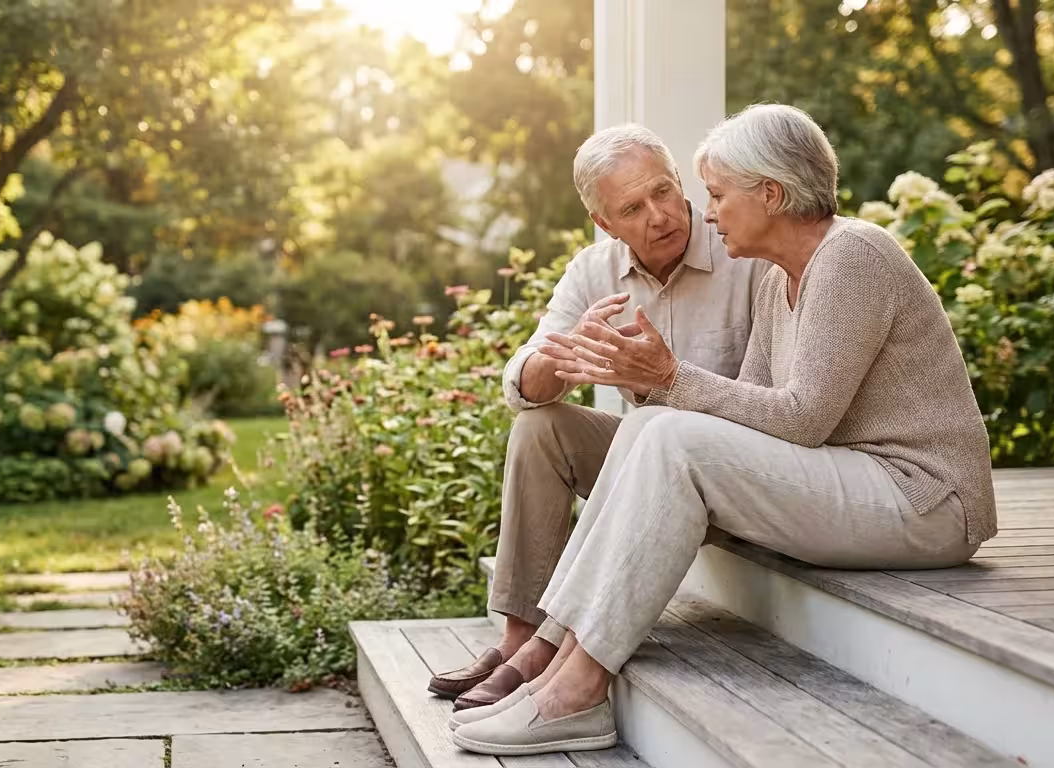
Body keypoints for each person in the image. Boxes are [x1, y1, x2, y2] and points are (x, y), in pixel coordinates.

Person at [448, 103, 996, 757]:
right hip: (850, 481)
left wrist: (670, 376)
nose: (704, 213)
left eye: (714, 194)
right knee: (654, 424)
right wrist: (653, 385)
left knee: (669, 430)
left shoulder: (854, 256)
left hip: (926, 499)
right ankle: (558, 663)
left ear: (771, 192)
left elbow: (801, 419)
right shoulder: (778, 280)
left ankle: (578, 689)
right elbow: (757, 411)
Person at [426, 124, 769, 710]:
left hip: (730, 472)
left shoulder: (743, 252)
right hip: (642, 470)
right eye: (632, 208)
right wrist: (565, 353)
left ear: (680, 181)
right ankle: (516, 638)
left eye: (663, 192)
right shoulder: (594, 271)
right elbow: (523, 384)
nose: (659, 216)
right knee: (540, 426)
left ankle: (548, 649)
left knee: (650, 429)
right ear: (606, 223)